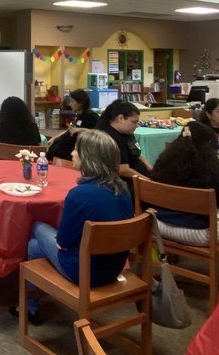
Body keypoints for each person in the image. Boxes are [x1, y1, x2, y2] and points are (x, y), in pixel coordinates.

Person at [19, 130, 134, 324]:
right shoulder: (123, 190)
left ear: (87, 158)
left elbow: (63, 242)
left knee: (37, 227)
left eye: (76, 150)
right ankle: (31, 305)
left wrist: (62, 242)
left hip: (83, 271)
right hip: (114, 269)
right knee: (34, 245)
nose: (72, 154)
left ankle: (31, 307)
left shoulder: (79, 194)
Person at [148, 123, 219, 244]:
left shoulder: (162, 161)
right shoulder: (212, 168)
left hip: (157, 224)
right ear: (209, 145)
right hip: (195, 232)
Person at [95, 99, 150, 176]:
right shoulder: (111, 138)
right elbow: (123, 170)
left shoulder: (126, 132)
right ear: (120, 118)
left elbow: (136, 154)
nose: (137, 125)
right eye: (134, 122)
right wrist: (148, 181)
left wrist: (152, 169)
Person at [45, 89, 99, 162]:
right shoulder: (78, 115)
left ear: (80, 103)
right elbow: (70, 130)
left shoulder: (91, 116)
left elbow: (98, 133)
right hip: (60, 147)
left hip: (70, 152)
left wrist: (79, 130)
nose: (69, 104)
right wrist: (55, 137)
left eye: (72, 101)